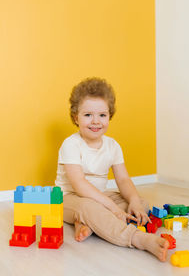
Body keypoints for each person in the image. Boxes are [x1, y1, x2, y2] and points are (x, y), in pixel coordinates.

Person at [55, 77, 169, 261]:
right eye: (87, 115)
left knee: (139, 203)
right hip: (69, 198)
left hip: (100, 197)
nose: (95, 121)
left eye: (102, 115)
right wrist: (113, 210)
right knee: (88, 206)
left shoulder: (113, 145)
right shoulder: (71, 144)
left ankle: (89, 224)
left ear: (110, 116)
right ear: (76, 117)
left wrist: (133, 201)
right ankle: (137, 238)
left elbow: (123, 180)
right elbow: (79, 185)